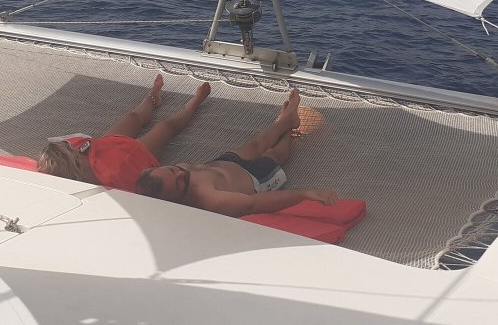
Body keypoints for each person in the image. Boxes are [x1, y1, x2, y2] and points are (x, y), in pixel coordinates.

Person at [135, 89, 338, 217]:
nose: (180, 173)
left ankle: (287, 121)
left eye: (172, 170)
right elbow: (253, 204)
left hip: (224, 164)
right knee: (274, 156)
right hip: (254, 180)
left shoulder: (163, 180)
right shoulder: (208, 199)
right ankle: (288, 130)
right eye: (178, 183)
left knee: (256, 144)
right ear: (175, 201)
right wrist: (304, 193)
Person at [36, 74, 211, 192]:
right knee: (165, 127)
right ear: (76, 165)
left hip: (106, 147)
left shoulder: (80, 154)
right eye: (72, 150)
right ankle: (194, 104)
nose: (74, 147)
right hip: (133, 154)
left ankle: (152, 96)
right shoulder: (113, 178)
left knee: (133, 116)